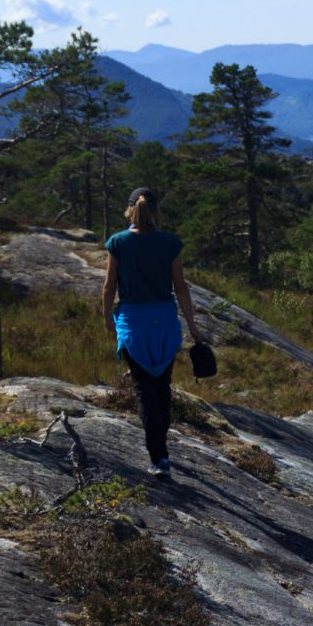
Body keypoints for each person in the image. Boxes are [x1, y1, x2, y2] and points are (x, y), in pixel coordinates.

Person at [101, 186, 204, 476]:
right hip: (165, 325)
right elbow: (180, 287)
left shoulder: (117, 243)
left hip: (134, 326)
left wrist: (108, 317)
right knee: (162, 388)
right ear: (155, 211)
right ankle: (161, 450)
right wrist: (193, 327)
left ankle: (159, 458)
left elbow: (109, 287)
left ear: (129, 210)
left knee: (145, 391)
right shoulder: (170, 243)